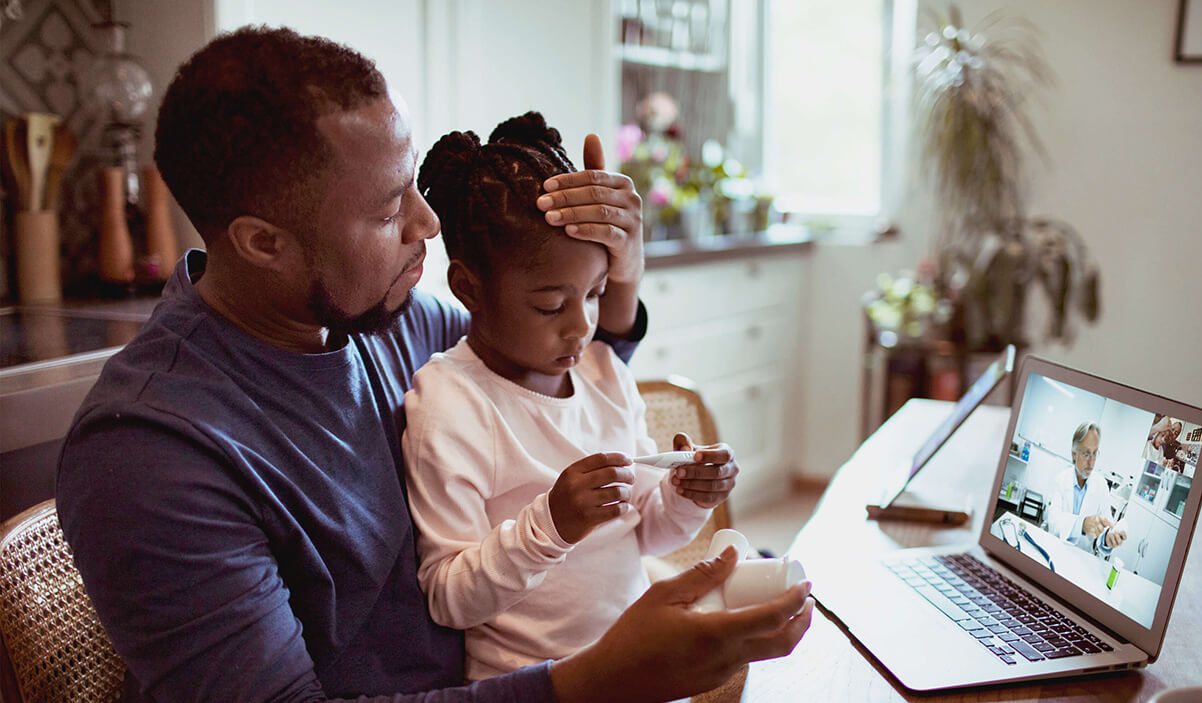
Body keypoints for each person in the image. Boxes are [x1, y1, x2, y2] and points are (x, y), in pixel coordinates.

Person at [54, 26, 811, 702]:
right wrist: (595, 679)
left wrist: (621, 280)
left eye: (415, 183)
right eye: (388, 211)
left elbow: (546, 371)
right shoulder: (152, 454)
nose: (428, 223)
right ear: (263, 242)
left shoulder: (385, 318)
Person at [404, 113, 732, 681]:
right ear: (469, 288)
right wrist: (550, 525)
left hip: (637, 667)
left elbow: (647, 535)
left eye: (596, 294)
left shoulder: (604, 373)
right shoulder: (450, 405)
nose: (582, 327)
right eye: (551, 306)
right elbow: (448, 598)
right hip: (533, 685)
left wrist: (687, 497)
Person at [1044, 422, 1128, 554]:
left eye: (1095, 454)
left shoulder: (1101, 486)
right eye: (1086, 454)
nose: (1091, 462)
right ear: (1074, 454)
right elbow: (1053, 520)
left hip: (1082, 557)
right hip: (1055, 550)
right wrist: (1081, 525)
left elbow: (1106, 525)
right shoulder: (1060, 480)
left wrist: (1108, 538)